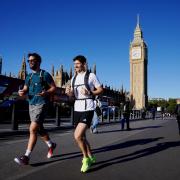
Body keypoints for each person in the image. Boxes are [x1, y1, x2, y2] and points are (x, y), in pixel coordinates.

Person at [14, 53, 57, 165]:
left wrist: (46, 92)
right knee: (39, 128)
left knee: (32, 129)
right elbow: (25, 89)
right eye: (29, 61)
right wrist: (21, 92)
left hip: (42, 104)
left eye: (32, 60)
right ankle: (51, 144)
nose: (30, 62)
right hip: (31, 104)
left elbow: (54, 88)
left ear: (38, 62)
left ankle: (26, 157)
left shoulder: (45, 74)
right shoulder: (29, 76)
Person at [65, 55, 103, 173]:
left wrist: (90, 92)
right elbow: (72, 96)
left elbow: (100, 90)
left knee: (77, 136)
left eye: (77, 63)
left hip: (88, 108)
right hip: (77, 108)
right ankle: (91, 157)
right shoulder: (73, 78)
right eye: (74, 64)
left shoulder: (91, 76)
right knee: (83, 137)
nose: (75, 66)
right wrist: (69, 93)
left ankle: (85, 158)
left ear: (84, 64)